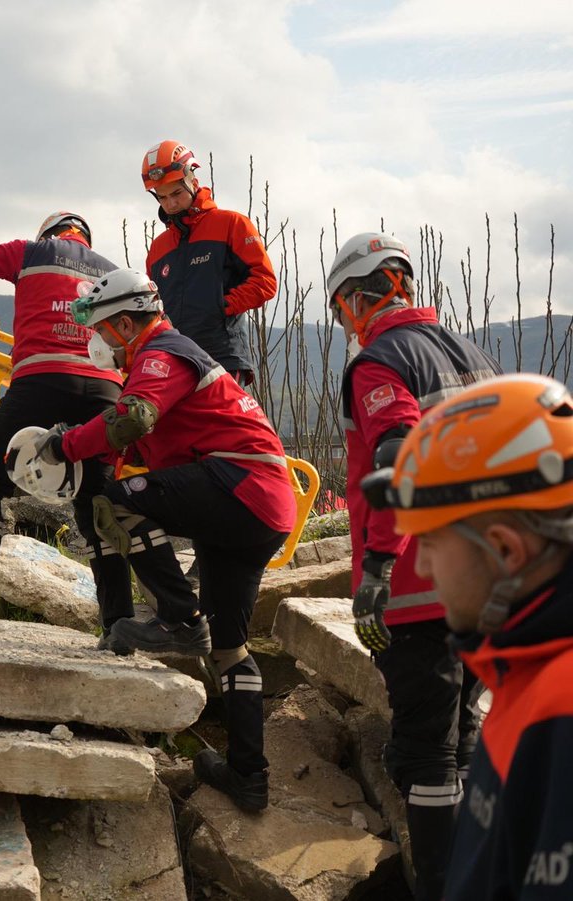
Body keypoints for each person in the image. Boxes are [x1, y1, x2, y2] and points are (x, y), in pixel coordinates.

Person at [33, 267, 297, 812]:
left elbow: (132, 419)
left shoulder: (162, 353)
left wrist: (63, 448)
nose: (101, 343)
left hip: (240, 486)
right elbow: (136, 445)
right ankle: (248, 774)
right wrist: (86, 448)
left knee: (118, 502)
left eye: (104, 331)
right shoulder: (168, 358)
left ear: (127, 323)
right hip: (259, 507)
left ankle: (178, 617)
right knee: (230, 648)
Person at [328, 232, 501, 901]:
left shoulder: (380, 359)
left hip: (418, 585)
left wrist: (376, 568)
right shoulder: (474, 354)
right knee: (458, 740)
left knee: (425, 752)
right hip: (490, 581)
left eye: (345, 308)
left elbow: (399, 456)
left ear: (358, 297)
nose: (348, 322)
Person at [362, 373, 573, 901]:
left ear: (505, 551)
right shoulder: (527, 672)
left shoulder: (560, 708)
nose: (425, 566)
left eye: (430, 540)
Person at [0, 212, 133, 642]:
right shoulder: (114, 272)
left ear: (49, 234)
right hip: (105, 393)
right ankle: (119, 625)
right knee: (97, 507)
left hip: (40, 382)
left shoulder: (31, 253)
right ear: (86, 240)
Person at [141, 139, 276, 385]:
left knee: (223, 425)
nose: (171, 203)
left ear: (193, 181)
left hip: (222, 356)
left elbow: (265, 282)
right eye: (162, 197)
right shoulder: (158, 248)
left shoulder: (231, 224)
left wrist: (220, 306)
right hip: (174, 361)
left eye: (177, 193)